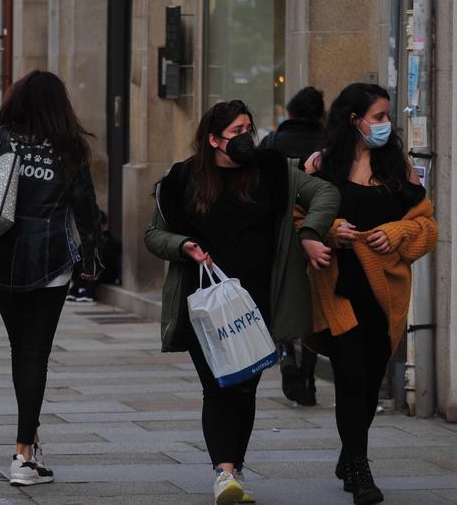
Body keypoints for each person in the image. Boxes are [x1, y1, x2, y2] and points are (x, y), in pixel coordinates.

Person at [144, 99, 339, 504]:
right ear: (213, 139)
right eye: (236, 132)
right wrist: (185, 246)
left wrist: (311, 233)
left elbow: (324, 192)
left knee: (245, 388)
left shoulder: (271, 171)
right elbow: (154, 235)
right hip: (205, 304)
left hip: (259, 303)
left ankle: (235, 469)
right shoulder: (182, 179)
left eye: (249, 128)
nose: (245, 138)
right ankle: (224, 472)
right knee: (218, 387)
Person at [0, 71, 102, 488]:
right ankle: (23, 454)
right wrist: (92, 256)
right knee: (35, 355)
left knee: (20, 350)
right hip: (50, 261)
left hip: (2, 257)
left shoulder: (2, 137)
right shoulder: (69, 146)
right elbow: (85, 205)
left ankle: (28, 443)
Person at [305, 83, 436, 505]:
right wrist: (329, 230)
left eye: (387, 117)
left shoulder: (397, 166)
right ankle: (361, 473)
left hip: (384, 295)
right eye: (378, 117)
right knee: (351, 377)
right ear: (353, 119)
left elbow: (426, 225)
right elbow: (296, 220)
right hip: (338, 290)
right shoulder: (323, 167)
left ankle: (348, 454)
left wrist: (395, 233)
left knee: (370, 379)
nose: (385, 125)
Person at [256, 86, 329, 407]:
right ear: (319, 114)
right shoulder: (328, 145)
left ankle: (285, 350)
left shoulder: (271, 143)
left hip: (279, 233)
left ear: (290, 112)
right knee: (313, 303)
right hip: (318, 233)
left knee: (284, 296)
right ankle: (309, 377)